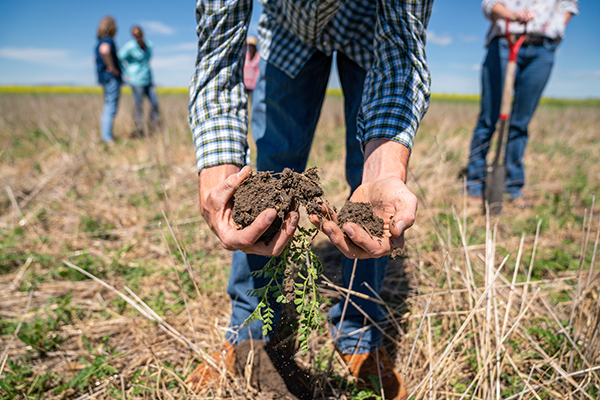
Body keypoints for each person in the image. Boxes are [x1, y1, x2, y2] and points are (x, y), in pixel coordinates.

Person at [186, 1, 433, 399]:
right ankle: (248, 331)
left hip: (371, 29)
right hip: (290, 29)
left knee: (368, 188)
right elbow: (218, 52)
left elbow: (402, 48)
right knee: (266, 180)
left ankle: (357, 333)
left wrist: (383, 172)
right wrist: (220, 175)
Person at [465, 0, 578, 208]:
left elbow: (568, 5)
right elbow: (489, 4)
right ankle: (475, 182)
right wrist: (512, 15)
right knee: (489, 119)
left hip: (543, 48)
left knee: (520, 123)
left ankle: (513, 185)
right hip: (505, 40)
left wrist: (557, 26)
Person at [118, 26, 160, 136]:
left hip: (148, 78)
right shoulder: (129, 47)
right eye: (135, 35)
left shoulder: (148, 45)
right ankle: (139, 127)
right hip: (136, 80)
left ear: (142, 33)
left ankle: (154, 125)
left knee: (155, 103)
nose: (138, 36)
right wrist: (126, 73)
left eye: (139, 34)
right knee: (139, 104)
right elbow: (119, 59)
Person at [95, 16, 122, 144]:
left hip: (103, 77)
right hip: (110, 77)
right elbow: (105, 51)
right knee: (111, 107)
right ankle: (107, 137)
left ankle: (106, 135)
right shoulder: (107, 40)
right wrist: (113, 68)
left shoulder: (99, 41)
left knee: (108, 105)